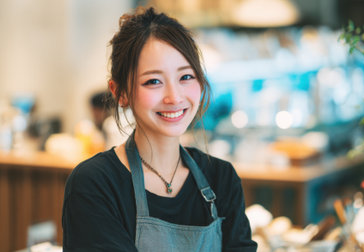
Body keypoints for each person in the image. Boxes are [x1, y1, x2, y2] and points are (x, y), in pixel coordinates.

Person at [62, 7, 257, 252]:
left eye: (185, 77)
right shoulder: (96, 183)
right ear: (120, 92)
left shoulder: (221, 178)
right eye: (153, 81)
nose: (174, 97)